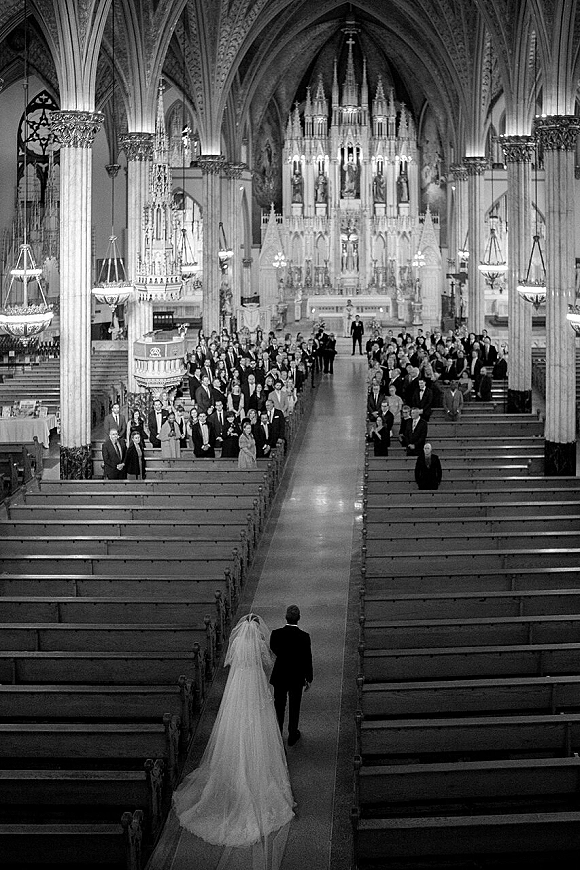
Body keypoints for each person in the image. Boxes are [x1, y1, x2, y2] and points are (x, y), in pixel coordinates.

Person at [173, 614, 294, 856]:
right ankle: (257, 763)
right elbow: (267, 663)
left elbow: (229, 663)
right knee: (257, 721)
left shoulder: (237, 643)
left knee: (235, 720)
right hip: (254, 683)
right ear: (256, 630)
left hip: (239, 684)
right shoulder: (259, 644)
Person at [270, 604, 313, 746]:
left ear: (285, 617)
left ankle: (278, 734)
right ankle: (292, 734)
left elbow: (274, 649)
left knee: (279, 706)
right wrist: (309, 677)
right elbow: (307, 658)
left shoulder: (275, 634)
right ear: (299, 618)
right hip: (296, 675)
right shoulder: (304, 637)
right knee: (295, 705)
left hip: (280, 674)